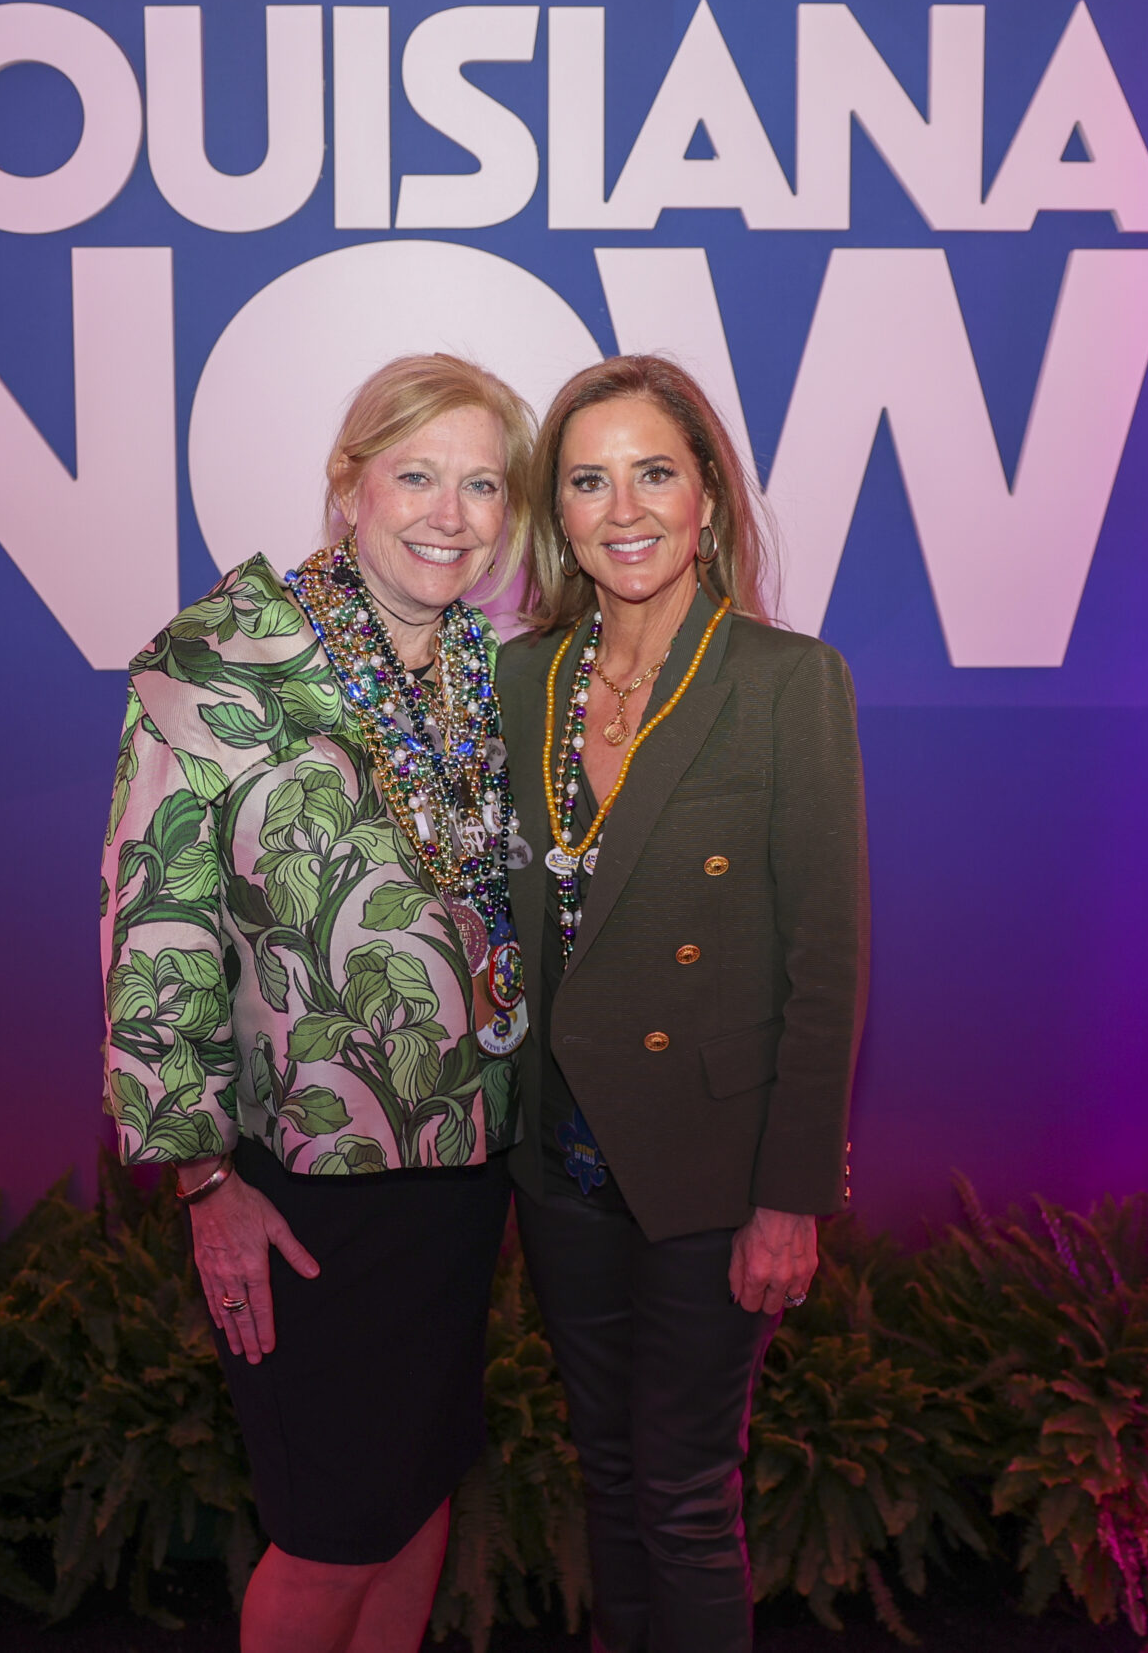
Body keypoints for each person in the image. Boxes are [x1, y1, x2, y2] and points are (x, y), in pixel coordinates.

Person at [99, 354, 537, 1653]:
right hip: (301, 1178)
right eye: (418, 475)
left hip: (466, 1161)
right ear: (349, 487)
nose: (451, 515)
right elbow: (155, 932)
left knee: (415, 1498)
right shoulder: (219, 664)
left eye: (482, 485)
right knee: (330, 1532)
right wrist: (203, 1184)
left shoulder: (486, 670)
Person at [498, 355, 869, 1653]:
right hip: (559, 1163)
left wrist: (791, 1197)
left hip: (711, 1170)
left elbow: (827, 963)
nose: (625, 508)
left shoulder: (784, 681)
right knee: (608, 1475)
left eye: (654, 471)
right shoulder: (524, 682)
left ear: (707, 493)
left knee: (684, 1495)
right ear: (558, 514)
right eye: (588, 480)